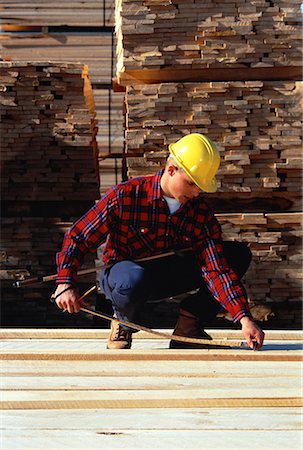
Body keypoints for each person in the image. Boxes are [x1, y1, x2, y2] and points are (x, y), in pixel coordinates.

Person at [54, 133, 265, 350]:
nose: (196, 192)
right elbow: (79, 236)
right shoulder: (126, 196)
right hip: (125, 277)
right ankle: (123, 322)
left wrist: (243, 318)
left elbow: (216, 269)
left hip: (168, 274)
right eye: (191, 183)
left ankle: (188, 328)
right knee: (132, 278)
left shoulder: (199, 212)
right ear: (171, 169)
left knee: (236, 256)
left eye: (200, 187)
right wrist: (66, 283)